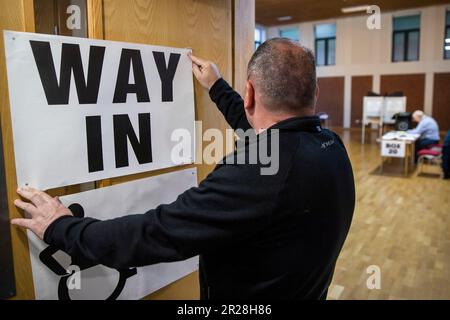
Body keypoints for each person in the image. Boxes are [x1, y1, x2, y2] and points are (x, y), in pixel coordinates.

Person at [11, 38, 355, 300]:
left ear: (249, 93)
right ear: (314, 93)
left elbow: (157, 232)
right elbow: (273, 139)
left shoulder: (261, 171)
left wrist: (62, 228)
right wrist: (218, 89)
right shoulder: (330, 146)